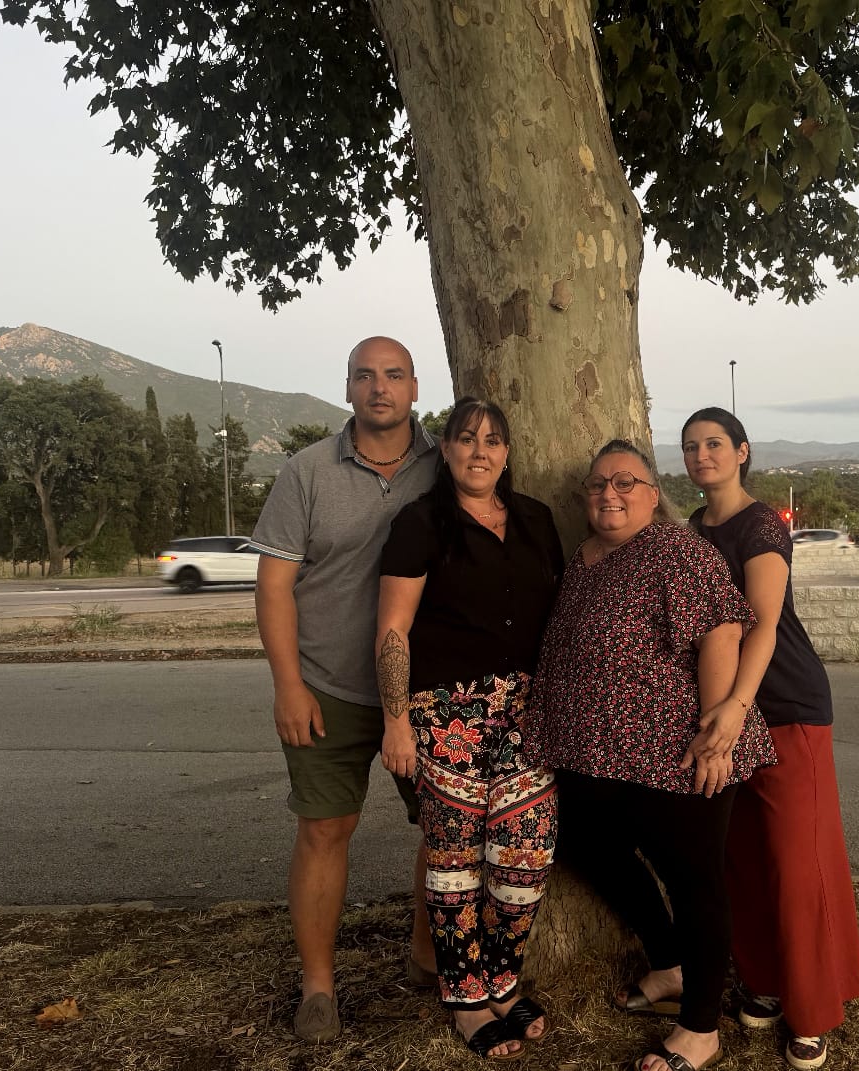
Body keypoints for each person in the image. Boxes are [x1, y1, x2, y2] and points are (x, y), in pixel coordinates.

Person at [526, 439, 777, 1071]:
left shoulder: (673, 548)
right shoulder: (582, 556)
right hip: (595, 754)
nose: (610, 494)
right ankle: (666, 966)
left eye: (626, 482)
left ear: (652, 491)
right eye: (598, 483)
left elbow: (720, 629)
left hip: (678, 750)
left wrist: (717, 731)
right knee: (584, 843)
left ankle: (701, 1028)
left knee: (696, 881)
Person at [249, 336, 440, 1044]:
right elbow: (274, 586)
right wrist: (288, 684)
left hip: (423, 695)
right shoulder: (305, 472)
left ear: (415, 387)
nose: (379, 387)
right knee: (324, 830)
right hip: (325, 685)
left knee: (442, 829)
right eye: (366, 375)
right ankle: (320, 986)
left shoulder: (443, 464)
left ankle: (426, 953)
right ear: (349, 387)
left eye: (393, 375)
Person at [375, 397, 564, 1060]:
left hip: (527, 715)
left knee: (526, 857)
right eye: (465, 438)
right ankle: (466, 998)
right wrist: (396, 721)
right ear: (447, 449)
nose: (478, 450)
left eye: (491, 440)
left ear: (506, 452)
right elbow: (393, 628)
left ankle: (505, 982)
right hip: (444, 718)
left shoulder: (537, 521)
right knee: (453, 862)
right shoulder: (421, 523)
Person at [681, 407, 859, 1071]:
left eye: (714, 444)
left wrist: (735, 704)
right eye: (691, 446)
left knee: (797, 864)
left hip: (784, 703)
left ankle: (812, 1012)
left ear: (741, 452)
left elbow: (759, 624)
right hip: (725, 714)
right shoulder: (692, 528)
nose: (702, 455)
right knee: (744, 858)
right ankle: (760, 979)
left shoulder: (760, 525)